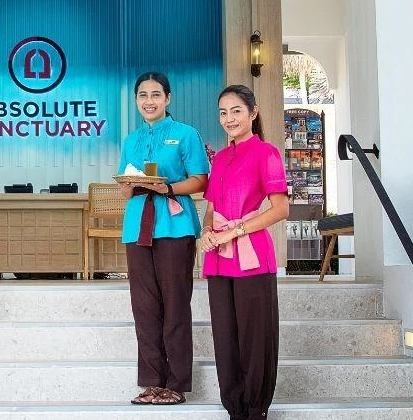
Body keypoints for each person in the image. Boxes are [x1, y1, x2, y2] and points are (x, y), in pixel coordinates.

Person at [118, 71, 210, 405]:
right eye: (143, 95)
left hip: (175, 226)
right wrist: (128, 184)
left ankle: (176, 384)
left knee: (174, 306)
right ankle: (152, 382)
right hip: (137, 227)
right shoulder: (131, 139)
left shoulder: (186, 134)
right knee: (144, 308)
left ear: (168, 99)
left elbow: (200, 180)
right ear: (136, 101)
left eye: (156, 94)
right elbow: (127, 186)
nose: (149, 101)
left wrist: (167, 187)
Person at [200, 85, 292, 420]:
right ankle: (235, 410)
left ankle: (256, 410)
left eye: (236, 111)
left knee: (256, 340)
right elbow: (211, 206)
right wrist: (207, 231)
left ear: (253, 113)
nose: (229, 119)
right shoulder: (221, 158)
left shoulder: (266, 153)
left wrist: (237, 229)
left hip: (252, 256)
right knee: (225, 338)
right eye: (223, 112)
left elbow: (281, 209)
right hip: (218, 258)